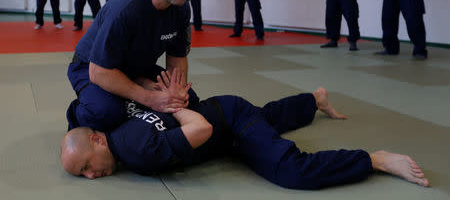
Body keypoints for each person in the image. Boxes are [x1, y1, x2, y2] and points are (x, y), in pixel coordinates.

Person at [61, 69, 429, 190]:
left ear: (96, 138)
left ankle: (374, 159)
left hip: (224, 123)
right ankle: (312, 101)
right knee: (266, 118)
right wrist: (173, 102)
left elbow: (201, 129)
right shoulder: (117, 127)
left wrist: (176, 104)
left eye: (85, 167)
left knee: (289, 169)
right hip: (225, 115)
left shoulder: (137, 153)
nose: (92, 176)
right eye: (84, 174)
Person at [66, 0, 197, 133]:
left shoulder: (181, 7)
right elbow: (98, 72)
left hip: (135, 68)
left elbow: (177, 58)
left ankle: (129, 99)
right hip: (92, 67)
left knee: (188, 99)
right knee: (105, 112)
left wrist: (176, 91)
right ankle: (78, 112)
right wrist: (149, 98)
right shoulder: (125, 10)